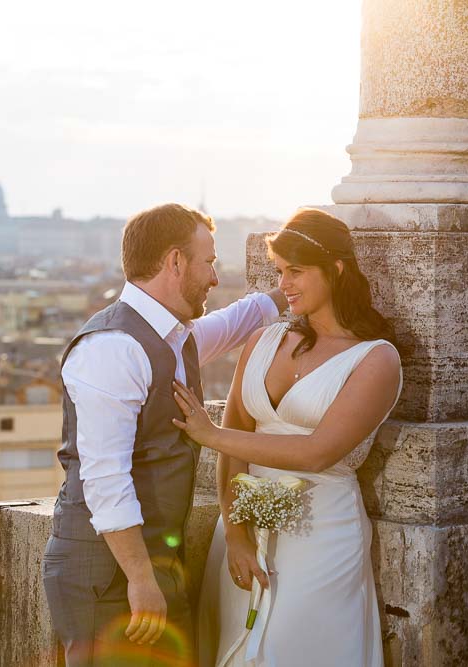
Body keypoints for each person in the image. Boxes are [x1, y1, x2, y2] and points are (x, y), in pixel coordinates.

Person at [42, 202, 288, 667]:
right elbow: (105, 478)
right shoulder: (111, 349)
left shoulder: (173, 338)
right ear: (175, 262)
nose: (215, 277)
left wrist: (288, 290)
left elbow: (234, 322)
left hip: (148, 565)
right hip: (109, 571)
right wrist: (139, 577)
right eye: (209, 262)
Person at [171, 208, 403, 667]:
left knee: (298, 650)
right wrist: (235, 534)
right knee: (237, 648)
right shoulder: (263, 341)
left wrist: (210, 436)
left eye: (296, 272)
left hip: (323, 535)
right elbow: (238, 434)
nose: (285, 285)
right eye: (280, 272)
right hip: (243, 528)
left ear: (336, 269)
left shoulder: (377, 359)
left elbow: (317, 453)